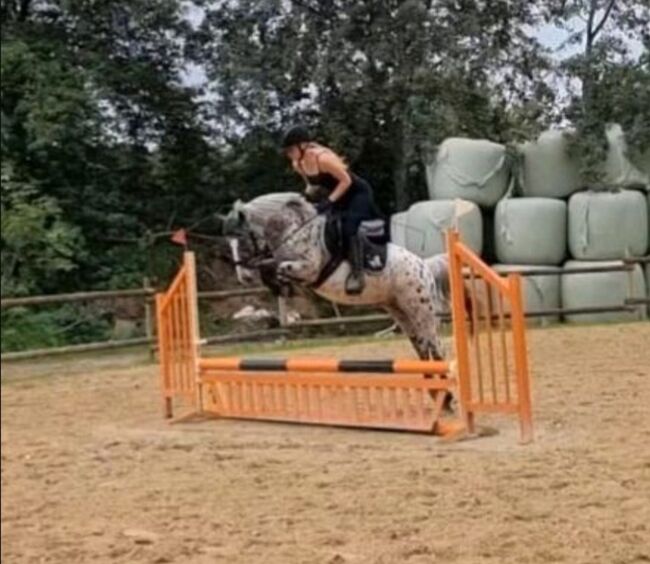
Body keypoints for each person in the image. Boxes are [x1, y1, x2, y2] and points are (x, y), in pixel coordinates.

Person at [281, 125, 382, 295]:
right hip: (338, 195)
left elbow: (346, 181)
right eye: (287, 151)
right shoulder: (298, 163)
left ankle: (358, 272)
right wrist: (305, 200)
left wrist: (328, 201)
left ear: (303, 146)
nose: (289, 154)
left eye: (291, 149)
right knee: (323, 225)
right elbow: (310, 186)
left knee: (348, 227)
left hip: (357, 193)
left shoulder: (323, 159)